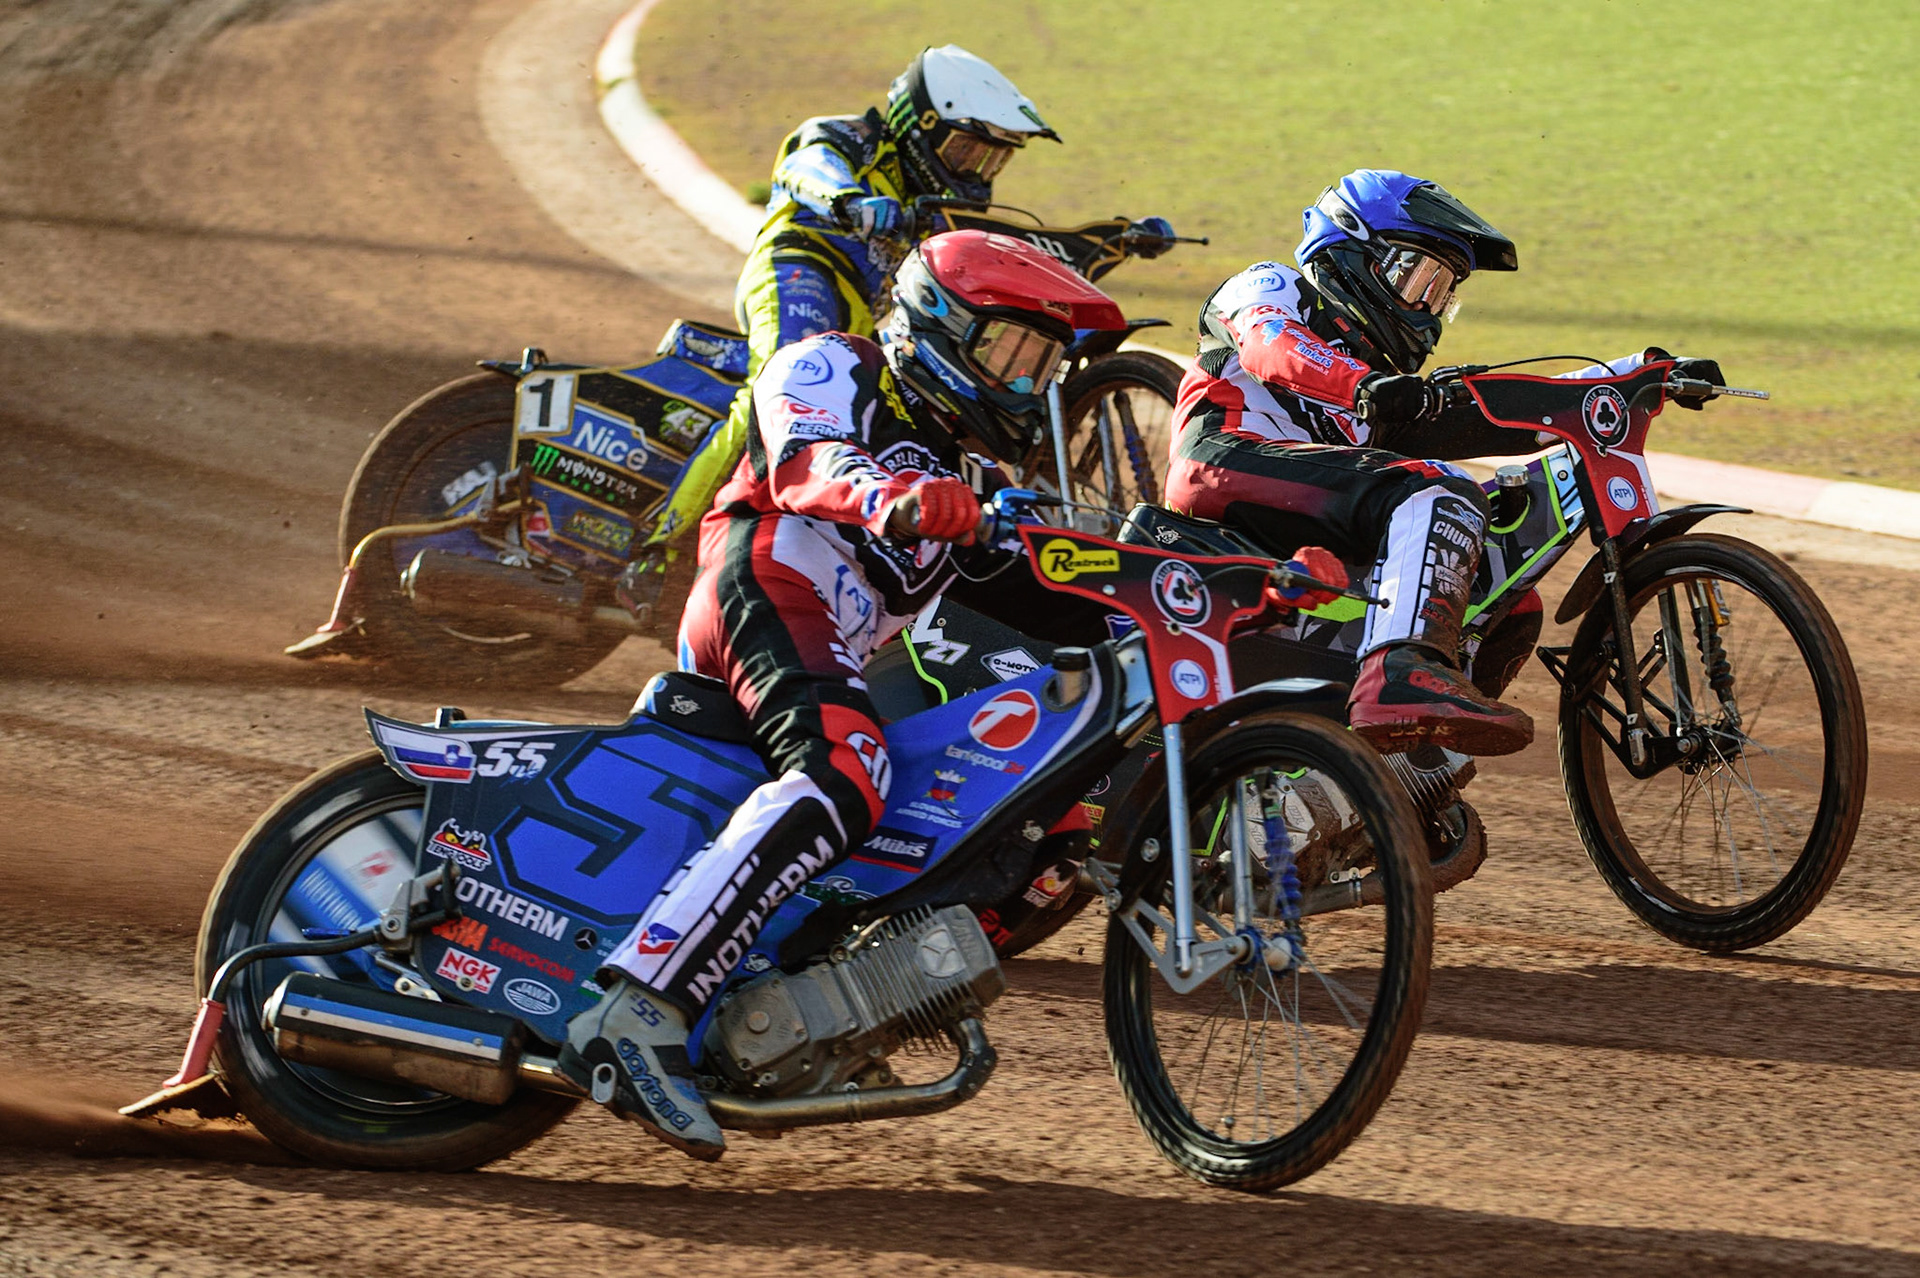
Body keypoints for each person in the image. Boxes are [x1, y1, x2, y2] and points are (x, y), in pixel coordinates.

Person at [559, 231, 1129, 1159]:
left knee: (976, 810)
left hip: (831, 637)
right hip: (766, 576)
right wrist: (896, 495)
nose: (1027, 382)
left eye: (1044, 364)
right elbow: (807, 464)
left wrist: (1203, 592)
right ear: (942, 324)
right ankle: (640, 1008)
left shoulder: (977, 480)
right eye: (1011, 352)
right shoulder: (833, 364)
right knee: (845, 771)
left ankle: (817, 1003)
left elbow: (1047, 598)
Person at [1164, 169, 1721, 756]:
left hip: (1307, 511)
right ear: (1348, 252)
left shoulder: (1388, 390)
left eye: (1443, 291)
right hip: (1221, 464)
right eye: (1416, 276)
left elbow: (1512, 409)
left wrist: (1634, 374)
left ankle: (1414, 765)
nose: (1427, 308)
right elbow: (1267, 342)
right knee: (1440, 490)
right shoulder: (1272, 284)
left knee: (1506, 593)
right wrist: (1362, 383)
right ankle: (1399, 677)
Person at [618, 46, 1059, 615]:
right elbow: (808, 169)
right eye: (967, 149)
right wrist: (850, 200)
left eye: (991, 160)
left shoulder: (933, 197)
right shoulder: (845, 137)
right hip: (799, 268)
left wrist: (1110, 242)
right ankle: (657, 546)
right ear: (922, 124)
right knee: (771, 398)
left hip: (863, 312)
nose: (975, 169)